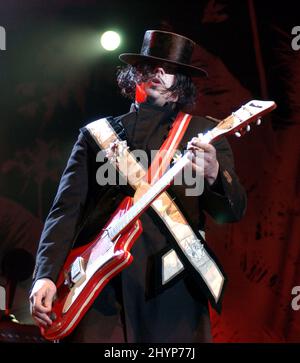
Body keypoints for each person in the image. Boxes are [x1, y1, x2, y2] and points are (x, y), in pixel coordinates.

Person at [29, 30, 247, 343]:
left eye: (168, 69)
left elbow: (232, 212)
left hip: (173, 290)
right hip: (102, 290)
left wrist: (214, 172)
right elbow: (66, 211)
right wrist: (45, 275)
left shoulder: (203, 134)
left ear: (181, 82)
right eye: (150, 66)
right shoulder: (97, 135)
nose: (158, 72)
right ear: (135, 76)